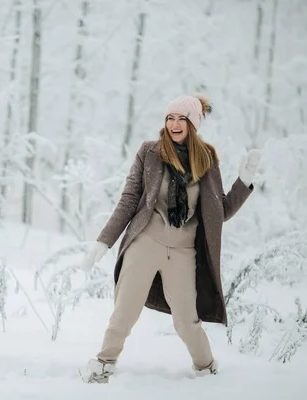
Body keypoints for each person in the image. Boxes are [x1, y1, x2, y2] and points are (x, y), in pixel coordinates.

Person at [79, 94, 261, 382]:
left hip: (182, 250)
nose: (174, 124)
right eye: (170, 117)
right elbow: (128, 201)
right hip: (146, 241)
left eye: (181, 119)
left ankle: (207, 370)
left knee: (187, 322)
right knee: (124, 311)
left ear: (193, 124)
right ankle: (103, 364)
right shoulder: (149, 152)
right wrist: (103, 242)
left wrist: (245, 181)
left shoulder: (207, 159)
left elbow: (220, 212)